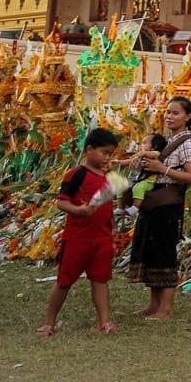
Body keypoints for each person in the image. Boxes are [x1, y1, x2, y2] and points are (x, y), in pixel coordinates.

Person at [38, 127, 120, 335]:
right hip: (78, 238)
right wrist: (79, 210)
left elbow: (108, 204)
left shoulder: (108, 176)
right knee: (65, 280)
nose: (107, 158)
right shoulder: (76, 175)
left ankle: (104, 322)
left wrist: (112, 226)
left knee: (100, 280)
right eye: (104, 153)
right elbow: (61, 203)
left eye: (110, 154)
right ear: (89, 150)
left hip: (101, 238)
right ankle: (49, 322)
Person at [127, 96, 191, 320]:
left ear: (188, 117)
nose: (169, 116)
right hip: (154, 203)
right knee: (152, 252)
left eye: (175, 113)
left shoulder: (187, 142)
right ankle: (154, 304)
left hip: (168, 205)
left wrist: (162, 169)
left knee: (164, 253)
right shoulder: (167, 140)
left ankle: (165, 309)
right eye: (168, 112)